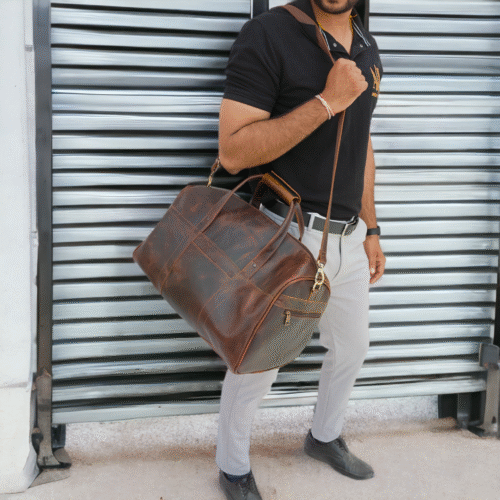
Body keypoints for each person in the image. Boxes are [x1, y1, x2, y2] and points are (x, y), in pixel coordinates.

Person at [215, 0, 386, 498]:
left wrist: (372, 229)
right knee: (260, 359)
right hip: (286, 232)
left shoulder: (367, 46)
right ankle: (233, 467)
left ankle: (324, 437)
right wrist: (327, 101)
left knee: (352, 348)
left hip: (348, 236)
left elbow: (361, 142)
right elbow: (233, 152)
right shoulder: (267, 34)